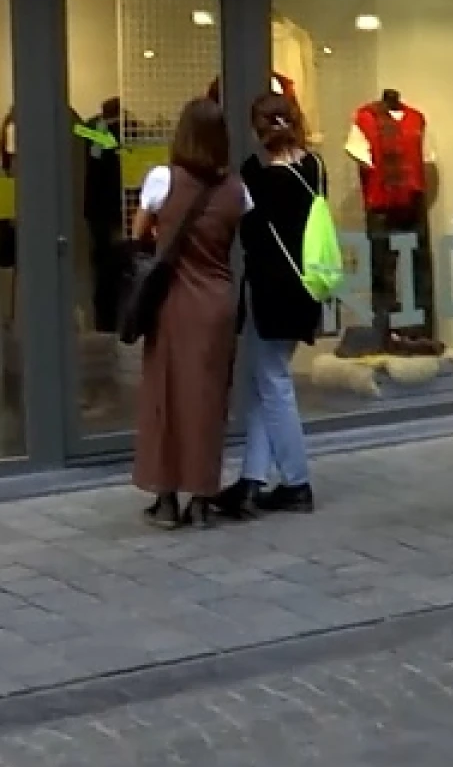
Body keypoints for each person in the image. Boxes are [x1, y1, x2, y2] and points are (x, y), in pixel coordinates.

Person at [134, 97, 249, 529]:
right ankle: (202, 498)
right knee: (207, 401)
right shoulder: (238, 190)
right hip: (217, 301)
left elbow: (140, 230)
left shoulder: (163, 179)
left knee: (165, 397)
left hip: (174, 301)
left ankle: (165, 499)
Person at [213, 93, 324, 518]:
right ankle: (252, 480)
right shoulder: (314, 167)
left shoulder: (254, 175)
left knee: (274, 385)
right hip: (305, 288)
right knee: (266, 383)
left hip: (268, 294)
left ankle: (297, 483)